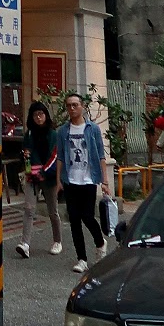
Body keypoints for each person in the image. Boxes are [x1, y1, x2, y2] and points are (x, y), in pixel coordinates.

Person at [55, 93, 111, 273]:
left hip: (88, 180)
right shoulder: (63, 131)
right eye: (69, 105)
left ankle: (100, 243)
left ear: (82, 106)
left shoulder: (92, 128)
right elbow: (60, 157)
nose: (72, 108)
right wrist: (58, 180)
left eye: (75, 105)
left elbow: (101, 155)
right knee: (74, 219)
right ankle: (82, 259)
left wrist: (104, 181)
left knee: (87, 216)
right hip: (70, 180)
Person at [17, 101, 63, 258]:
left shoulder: (53, 134)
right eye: (35, 114)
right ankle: (25, 244)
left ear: (46, 115)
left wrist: (44, 172)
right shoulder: (29, 134)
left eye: (41, 114)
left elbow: (55, 156)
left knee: (53, 211)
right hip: (32, 176)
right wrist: (27, 161)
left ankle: (57, 241)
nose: (38, 117)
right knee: (29, 209)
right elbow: (26, 152)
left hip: (48, 177)